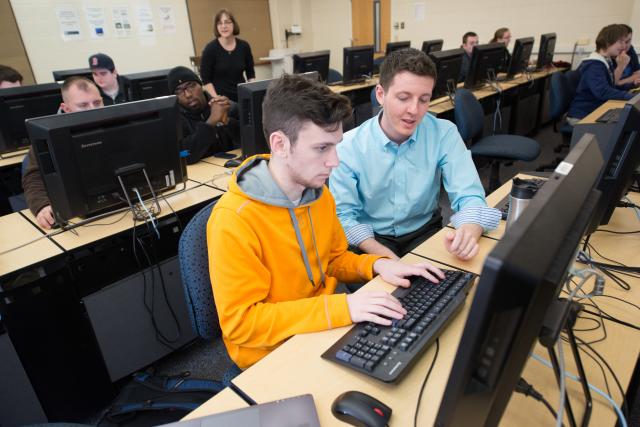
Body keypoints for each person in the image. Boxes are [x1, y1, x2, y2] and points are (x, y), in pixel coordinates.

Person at [206, 74, 445, 370]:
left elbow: (333, 259)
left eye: (336, 145)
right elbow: (242, 323)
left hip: (324, 328)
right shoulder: (233, 221)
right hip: (271, 355)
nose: (335, 161)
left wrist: (376, 264)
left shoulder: (318, 194)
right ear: (280, 144)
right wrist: (342, 307)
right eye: (321, 148)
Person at [330, 48, 500, 261]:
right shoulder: (348, 146)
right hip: (370, 240)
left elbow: (469, 195)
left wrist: (469, 230)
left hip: (424, 231)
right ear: (381, 95)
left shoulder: (444, 133)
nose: (414, 110)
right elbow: (344, 218)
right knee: (386, 292)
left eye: (424, 99)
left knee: (449, 285)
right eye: (404, 98)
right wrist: (389, 260)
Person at [23, 77, 104, 229]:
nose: (93, 110)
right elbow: (33, 178)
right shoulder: (47, 135)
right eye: (83, 105)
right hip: (78, 209)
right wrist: (42, 205)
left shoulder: (117, 122)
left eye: (97, 102)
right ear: (66, 108)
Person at [167, 66, 239, 164]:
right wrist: (211, 122)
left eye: (191, 86)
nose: (188, 95)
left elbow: (251, 139)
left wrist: (228, 121)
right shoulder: (175, 120)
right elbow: (182, 155)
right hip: (201, 175)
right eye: (179, 91)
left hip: (232, 168)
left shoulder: (223, 105)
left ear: (201, 86)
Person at [568, 24, 636, 122]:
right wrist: (630, 97)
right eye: (621, 42)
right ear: (608, 42)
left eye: (625, 42)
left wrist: (632, 85)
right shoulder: (594, 65)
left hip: (595, 110)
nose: (624, 46)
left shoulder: (606, 61)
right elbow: (603, 91)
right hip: (582, 116)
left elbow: (610, 86)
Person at [199, 8, 255, 102]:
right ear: (216, 27)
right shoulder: (210, 49)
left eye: (227, 22)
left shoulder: (244, 46)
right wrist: (217, 98)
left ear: (233, 24)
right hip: (220, 100)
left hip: (242, 97)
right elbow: (205, 80)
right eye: (220, 23)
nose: (224, 26)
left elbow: (250, 74)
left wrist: (253, 93)